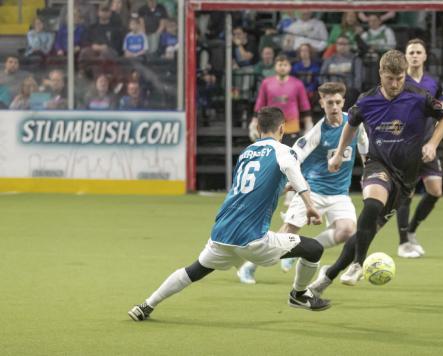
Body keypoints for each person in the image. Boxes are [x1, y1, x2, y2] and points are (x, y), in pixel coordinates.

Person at [128, 107, 331, 321]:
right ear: (282, 128)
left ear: (258, 128)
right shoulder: (283, 151)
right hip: (252, 239)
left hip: (222, 233)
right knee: (314, 249)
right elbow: (294, 172)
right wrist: (309, 204)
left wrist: (283, 189)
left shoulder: (246, 153)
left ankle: (146, 305)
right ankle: (298, 294)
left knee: (193, 271)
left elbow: (245, 190)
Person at [307, 50, 443, 296]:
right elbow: (350, 125)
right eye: (389, 78)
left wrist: (433, 143)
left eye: (399, 78)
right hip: (378, 164)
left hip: (405, 179)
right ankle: (357, 264)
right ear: (380, 74)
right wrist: (340, 153)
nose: (395, 84)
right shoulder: (366, 100)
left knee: (368, 230)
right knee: (372, 205)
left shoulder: (418, 96)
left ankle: (329, 274)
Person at [237, 82, 368, 284]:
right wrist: (288, 185)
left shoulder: (354, 125)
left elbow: (365, 148)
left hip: (339, 193)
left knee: (347, 230)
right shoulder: (318, 132)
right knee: (287, 233)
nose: (334, 106)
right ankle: (249, 267)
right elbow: (293, 157)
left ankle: (302, 250)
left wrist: (369, 172)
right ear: (322, 103)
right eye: (329, 102)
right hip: (312, 190)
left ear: (343, 102)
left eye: (338, 102)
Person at [395, 39, 443, 259]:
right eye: (411, 52)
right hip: (406, 146)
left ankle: (411, 231)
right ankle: (402, 243)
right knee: (406, 193)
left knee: (435, 191)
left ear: (425, 56)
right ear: (405, 55)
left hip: (429, 145)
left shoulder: (434, 84)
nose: (415, 56)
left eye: (419, 52)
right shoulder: (399, 81)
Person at [250, 54, 312, 147]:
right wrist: (253, 124)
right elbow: (260, 104)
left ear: (290, 67)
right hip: (271, 129)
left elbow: (305, 106)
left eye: (285, 65)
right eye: (280, 64)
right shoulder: (266, 83)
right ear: (275, 66)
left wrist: (308, 126)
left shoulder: (297, 84)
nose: (282, 67)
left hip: (292, 128)